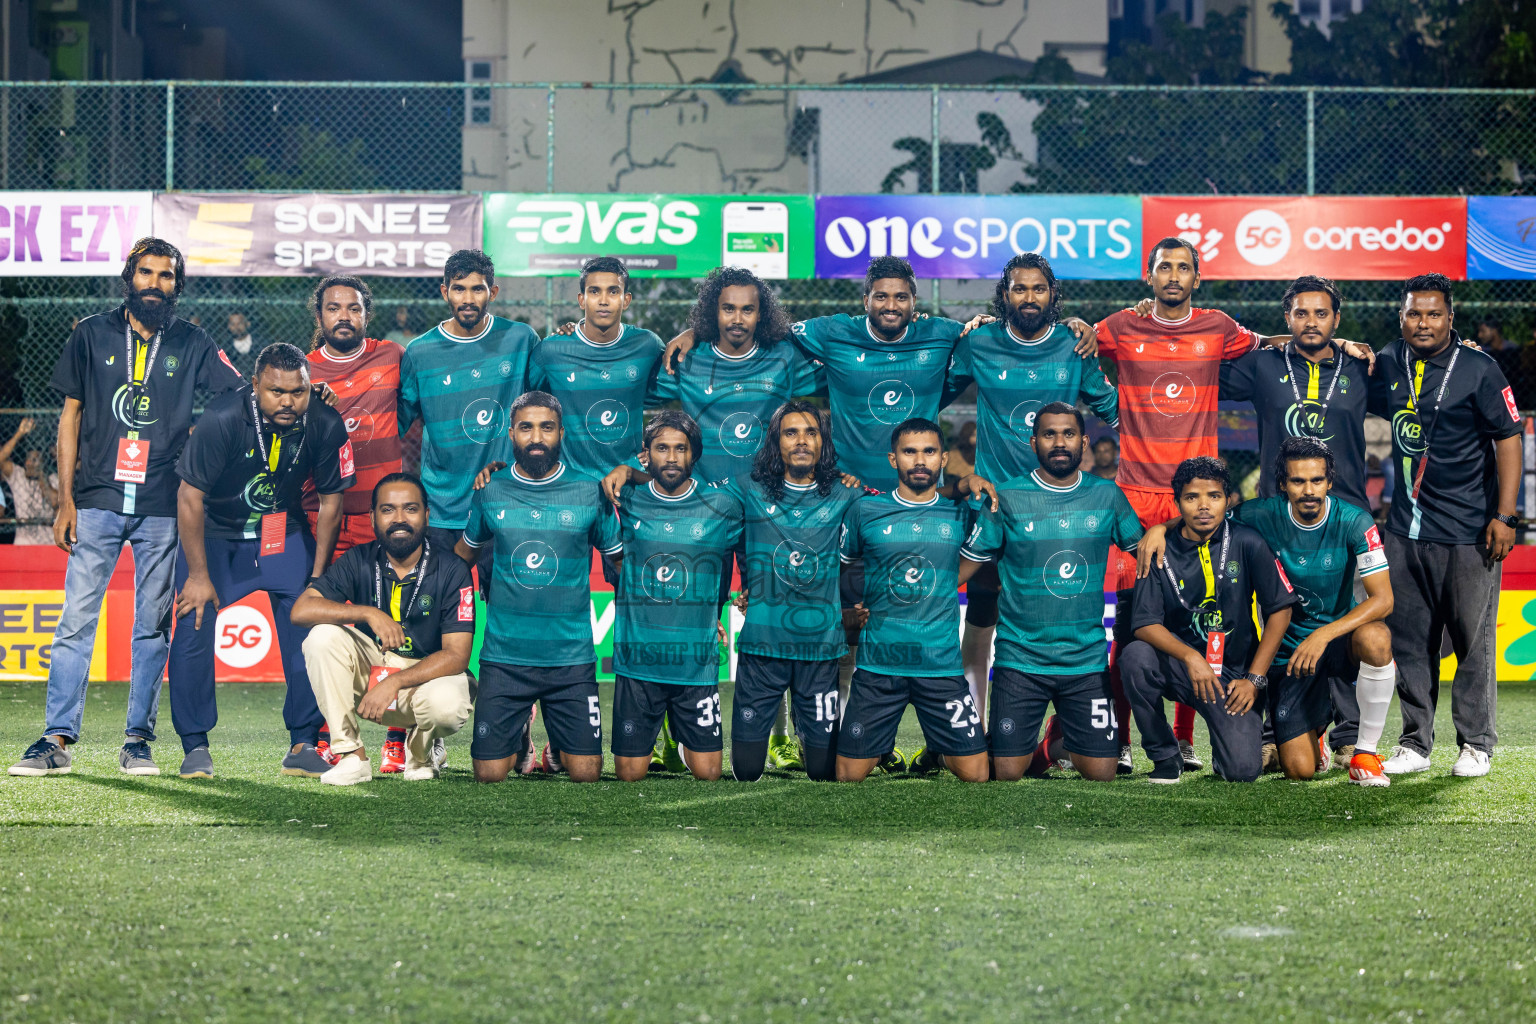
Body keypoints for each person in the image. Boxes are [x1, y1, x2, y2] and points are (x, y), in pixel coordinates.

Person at [9, 238, 246, 779]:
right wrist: (65, 498)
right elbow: (69, 417)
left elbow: (237, 397)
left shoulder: (193, 340)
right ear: (128, 277)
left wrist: (198, 446)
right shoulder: (92, 333)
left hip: (164, 504)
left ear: (177, 286)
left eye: (166, 276)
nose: (155, 284)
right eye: (146, 273)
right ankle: (56, 738)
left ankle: (137, 740)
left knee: (151, 626)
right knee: (75, 621)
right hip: (95, 500)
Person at [1141, 438, 1399, 785]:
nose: (1309, 490)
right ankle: (1315, 734)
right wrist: (1161, 528)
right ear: (1283, 485)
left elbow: (1383, 600)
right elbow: (1207, 515)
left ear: (1329, 482)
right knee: (1299, 770)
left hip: (1338, 639)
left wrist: (1324, 634)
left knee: (1376, 637)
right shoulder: (1259, 514)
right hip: (1290, 654)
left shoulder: (1354, 520)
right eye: (1297, 481)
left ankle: (1365, 754)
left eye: (1317, 480)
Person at [945, 253, 1119, 730]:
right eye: (1018, 289)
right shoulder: (978, 341)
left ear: (1052, 295)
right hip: (995, 505)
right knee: (982, 613)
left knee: (1056, 611)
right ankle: (971, 726)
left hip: (1061, 505)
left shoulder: (1072, 344)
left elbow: (1112, 408)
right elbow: (933, 391)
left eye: (1038, 288)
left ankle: (1062, 735)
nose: (1028, 297)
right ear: (1004, 295)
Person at [168, 342, 354, 779]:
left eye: (298, 392)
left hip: (282, 534)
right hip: (219, 538)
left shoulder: (325, 423)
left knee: (311, 626)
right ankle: (195, 746)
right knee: (193, 623)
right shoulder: (222, 419)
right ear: (255, 387)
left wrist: (318, 576)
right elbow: (189, 497)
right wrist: (197, 575)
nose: (288, 402)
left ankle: (304, 741)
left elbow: (332, 504)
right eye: (276, 392)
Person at [1368, 274, 1522, 778]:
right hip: (1405, 528)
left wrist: (1504, 515)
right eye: (1414, 313)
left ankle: (1476, 744)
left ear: (1450, 318)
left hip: (1468, 530)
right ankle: (1416, 742)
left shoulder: (1479, 367)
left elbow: (1509, 439)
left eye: (1434, 314)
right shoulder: (1390, 361)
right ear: (1402, 318)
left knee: (1471, 640)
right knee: (1410, 641)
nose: (1424, 323)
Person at [959, 403, 1143, 782]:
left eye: (1069, 434)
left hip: (1086, 661)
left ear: (1084, 441)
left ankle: (1052, 745)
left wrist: (1163, 529)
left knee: (1102, 774)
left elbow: (1145, 552)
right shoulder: (1005, 497)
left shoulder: (1107, 495)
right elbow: (969, 565)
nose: (1060, 442)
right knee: (1005, 773)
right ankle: (1035, 750)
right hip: (1020, 659)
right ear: (1033, 442)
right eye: (1049, 434)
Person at [455, 392, 620, 784]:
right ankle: (521, 735)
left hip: (570, 657)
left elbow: (620, 562)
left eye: (546, 427)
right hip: (505, 656)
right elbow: (460, 559)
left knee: (587, 774)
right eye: (526, 428)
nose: (536, 437)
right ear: (511, 433)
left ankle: (557, 745)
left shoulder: (589, 491)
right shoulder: (490, 491)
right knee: (489, 775)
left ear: (561, 432)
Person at [1120, 457, 1296, 783]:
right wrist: (1190, 656)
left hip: (1233, 677)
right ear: (1178, 503)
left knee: (1242, 771)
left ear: (1228, 501)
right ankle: (1165, 756)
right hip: (1180, 667)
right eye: (1192, 497)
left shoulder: (1247, 541)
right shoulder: (1156, 548)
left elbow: (1280, 609)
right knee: (1134, 656)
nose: (1204, 506)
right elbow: (1144, 624)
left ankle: (1225, 747)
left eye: (1213, 496)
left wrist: (1254, 679)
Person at [292, 473, 474, 784]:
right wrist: (368, 613)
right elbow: (301, 610)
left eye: (411, 509)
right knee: (321, 638)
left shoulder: (452, 569)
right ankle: (351, 756)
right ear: (373, 517)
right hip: (374, 670)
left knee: (448, 704)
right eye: (388, 509)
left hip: (424, 680)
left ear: (427, 515)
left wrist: (395, 683)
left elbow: (457, 656)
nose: (399, 519)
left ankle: (421, 752)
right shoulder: (359, 559)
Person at [836, 418, 988, 783]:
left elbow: (972, 562)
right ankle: (884, 748)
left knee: (977, 775)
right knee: (847, 776)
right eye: (910, 452)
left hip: (940, 666)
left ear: (944, 459)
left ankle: (936, 753)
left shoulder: (962, 513)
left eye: (929, 452)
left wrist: (942, 583)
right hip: (879, 666)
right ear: (893, 459)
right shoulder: (864, 511)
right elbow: (841, 568)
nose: (920, 460)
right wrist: (845, 612)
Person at [720, 402, 863, 782]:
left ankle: (808, 739)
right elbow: (694, 505)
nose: (802, 441)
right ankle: (780, 740)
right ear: (775, 441)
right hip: (763, 647)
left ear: (823, 442)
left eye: (811, 432)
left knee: (823, 772)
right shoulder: (746, 489)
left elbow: (894, 516)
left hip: (820, 649)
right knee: (746, 771)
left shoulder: (847, 495)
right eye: (791, 432)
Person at [303, 275, 411, 770]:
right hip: (321, 513)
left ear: (367, 313)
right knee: (331, 624)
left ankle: (396, 733)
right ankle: (334, 730)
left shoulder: (391, 356)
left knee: (393, 618)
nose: (343, 316)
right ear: (319, 315)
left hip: (382, 514)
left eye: (353, 307)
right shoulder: (301, 372)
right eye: (333, 308)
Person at [610, 411, 743, 781]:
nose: (671, 457)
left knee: (709, 773)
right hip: (639, 662)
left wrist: (717, 609)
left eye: (680, 449)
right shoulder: (626, 498)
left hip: (694, 662)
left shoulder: (722, 506)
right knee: (629, 775)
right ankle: (664, 734)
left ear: (694, 454)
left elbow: (734, 558)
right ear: (646, 454)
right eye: (662, 448)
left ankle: (677, 737)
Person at [399, 249, 539, 590]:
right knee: (438, 614)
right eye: (459, 288)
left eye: (477, 289)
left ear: (493, 291)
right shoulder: (419, 351)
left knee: (508, 609)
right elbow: (397, 423)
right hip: (442, 508)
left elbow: (546, 409)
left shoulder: (521, 340)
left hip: (507, 501)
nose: (468, 298)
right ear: (444, 291)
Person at [1220, 276, 1375, 513]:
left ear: (1336, 319)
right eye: (1301, 314)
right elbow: (1199, 373)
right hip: (1279, 512)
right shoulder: (1262, 365)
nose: (1311, 322)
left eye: (1321, 314)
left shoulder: (1362, 368)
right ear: (1287, 318)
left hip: (1346, 512)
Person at [528, 257, 665, 481]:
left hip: (630, 480)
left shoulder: (647, 345)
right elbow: (526, 397)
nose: (603, 300)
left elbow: (665, 392)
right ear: (581, 300)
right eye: (594, 291)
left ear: (626, 299)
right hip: (570, 482)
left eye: (613, 292)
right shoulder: (551, 350)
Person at [0, 418, 58, 545]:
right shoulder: (18, 475)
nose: (28, 463)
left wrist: (41, 476)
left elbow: (55, 502)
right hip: (23, 541)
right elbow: (1, 459)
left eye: (34, 460)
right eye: (27, 459)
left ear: (43, 463)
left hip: (47, 542)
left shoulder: (53, 479)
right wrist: (19, 434)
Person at [225, 312, 259, 377]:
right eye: (232, 324)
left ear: (248, 324)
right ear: (228, 326)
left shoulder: (260, 343)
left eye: (240, 323)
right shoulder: (225, 348)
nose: (236, 327)